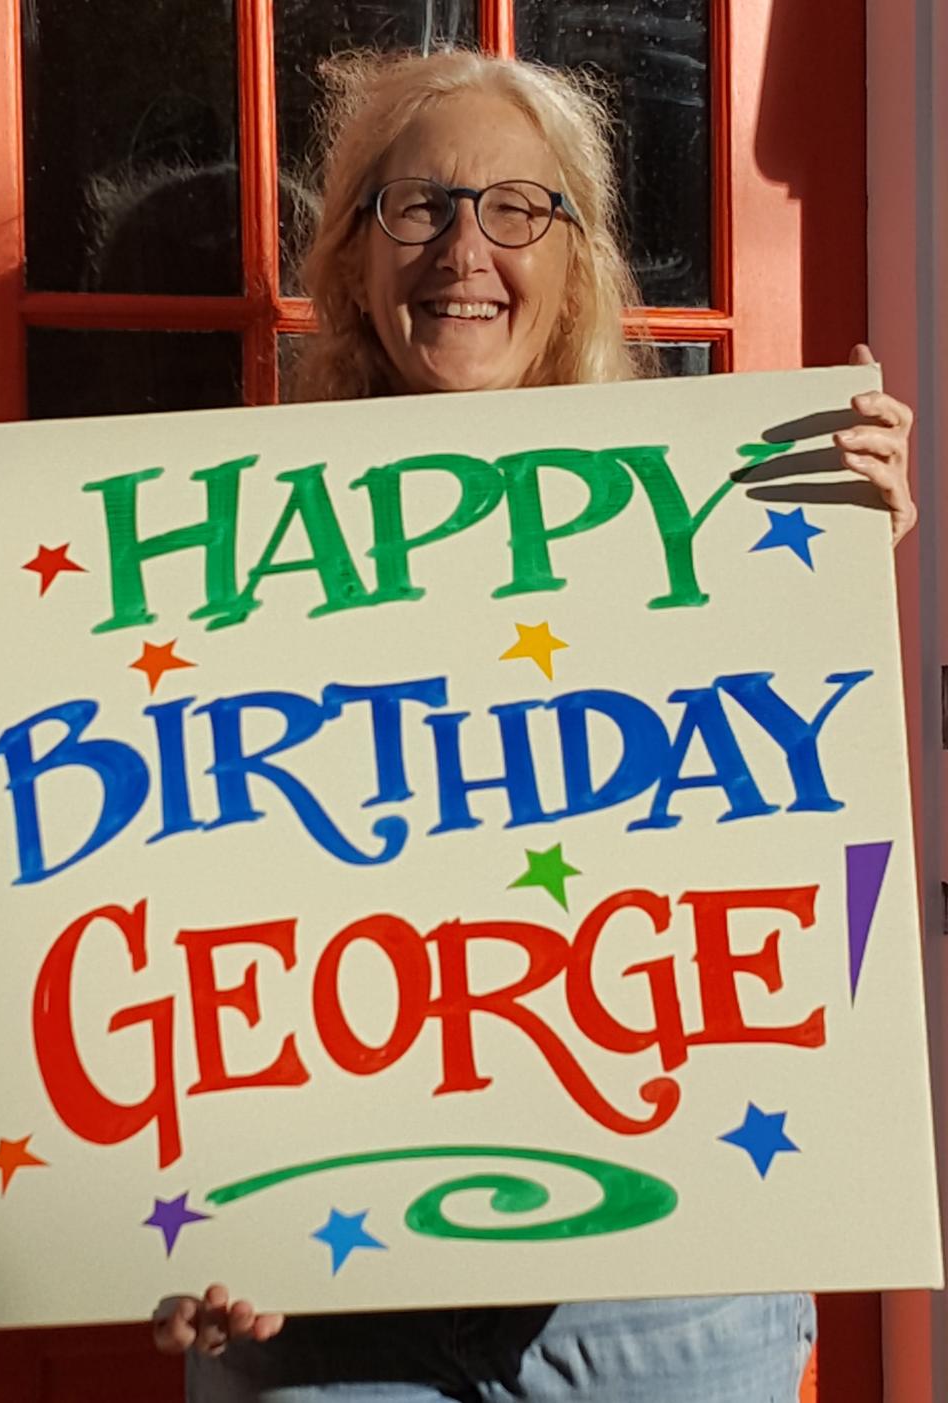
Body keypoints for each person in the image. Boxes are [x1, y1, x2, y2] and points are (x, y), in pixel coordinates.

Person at [152, 46, 916, 1402]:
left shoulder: (720, 515)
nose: (464, 250)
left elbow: (798, 858)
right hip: (327, 1307)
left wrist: (846, 562)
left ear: (578, 257)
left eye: (518, 209)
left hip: (671, 1300)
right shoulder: (213, 557)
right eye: (418, 206)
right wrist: (163, 1218)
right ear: (353, 252)